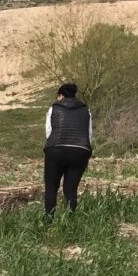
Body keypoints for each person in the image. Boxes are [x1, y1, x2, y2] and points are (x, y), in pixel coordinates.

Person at [44, 83, 93, 216]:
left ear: (60, 96)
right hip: (80, 150)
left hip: (56, 150)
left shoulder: (54, 108)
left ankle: (49, 219)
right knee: (71, 189)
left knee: (51, 188)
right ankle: (69, 220)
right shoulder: (85, 109)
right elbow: (88, 134)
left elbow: (49, 133)